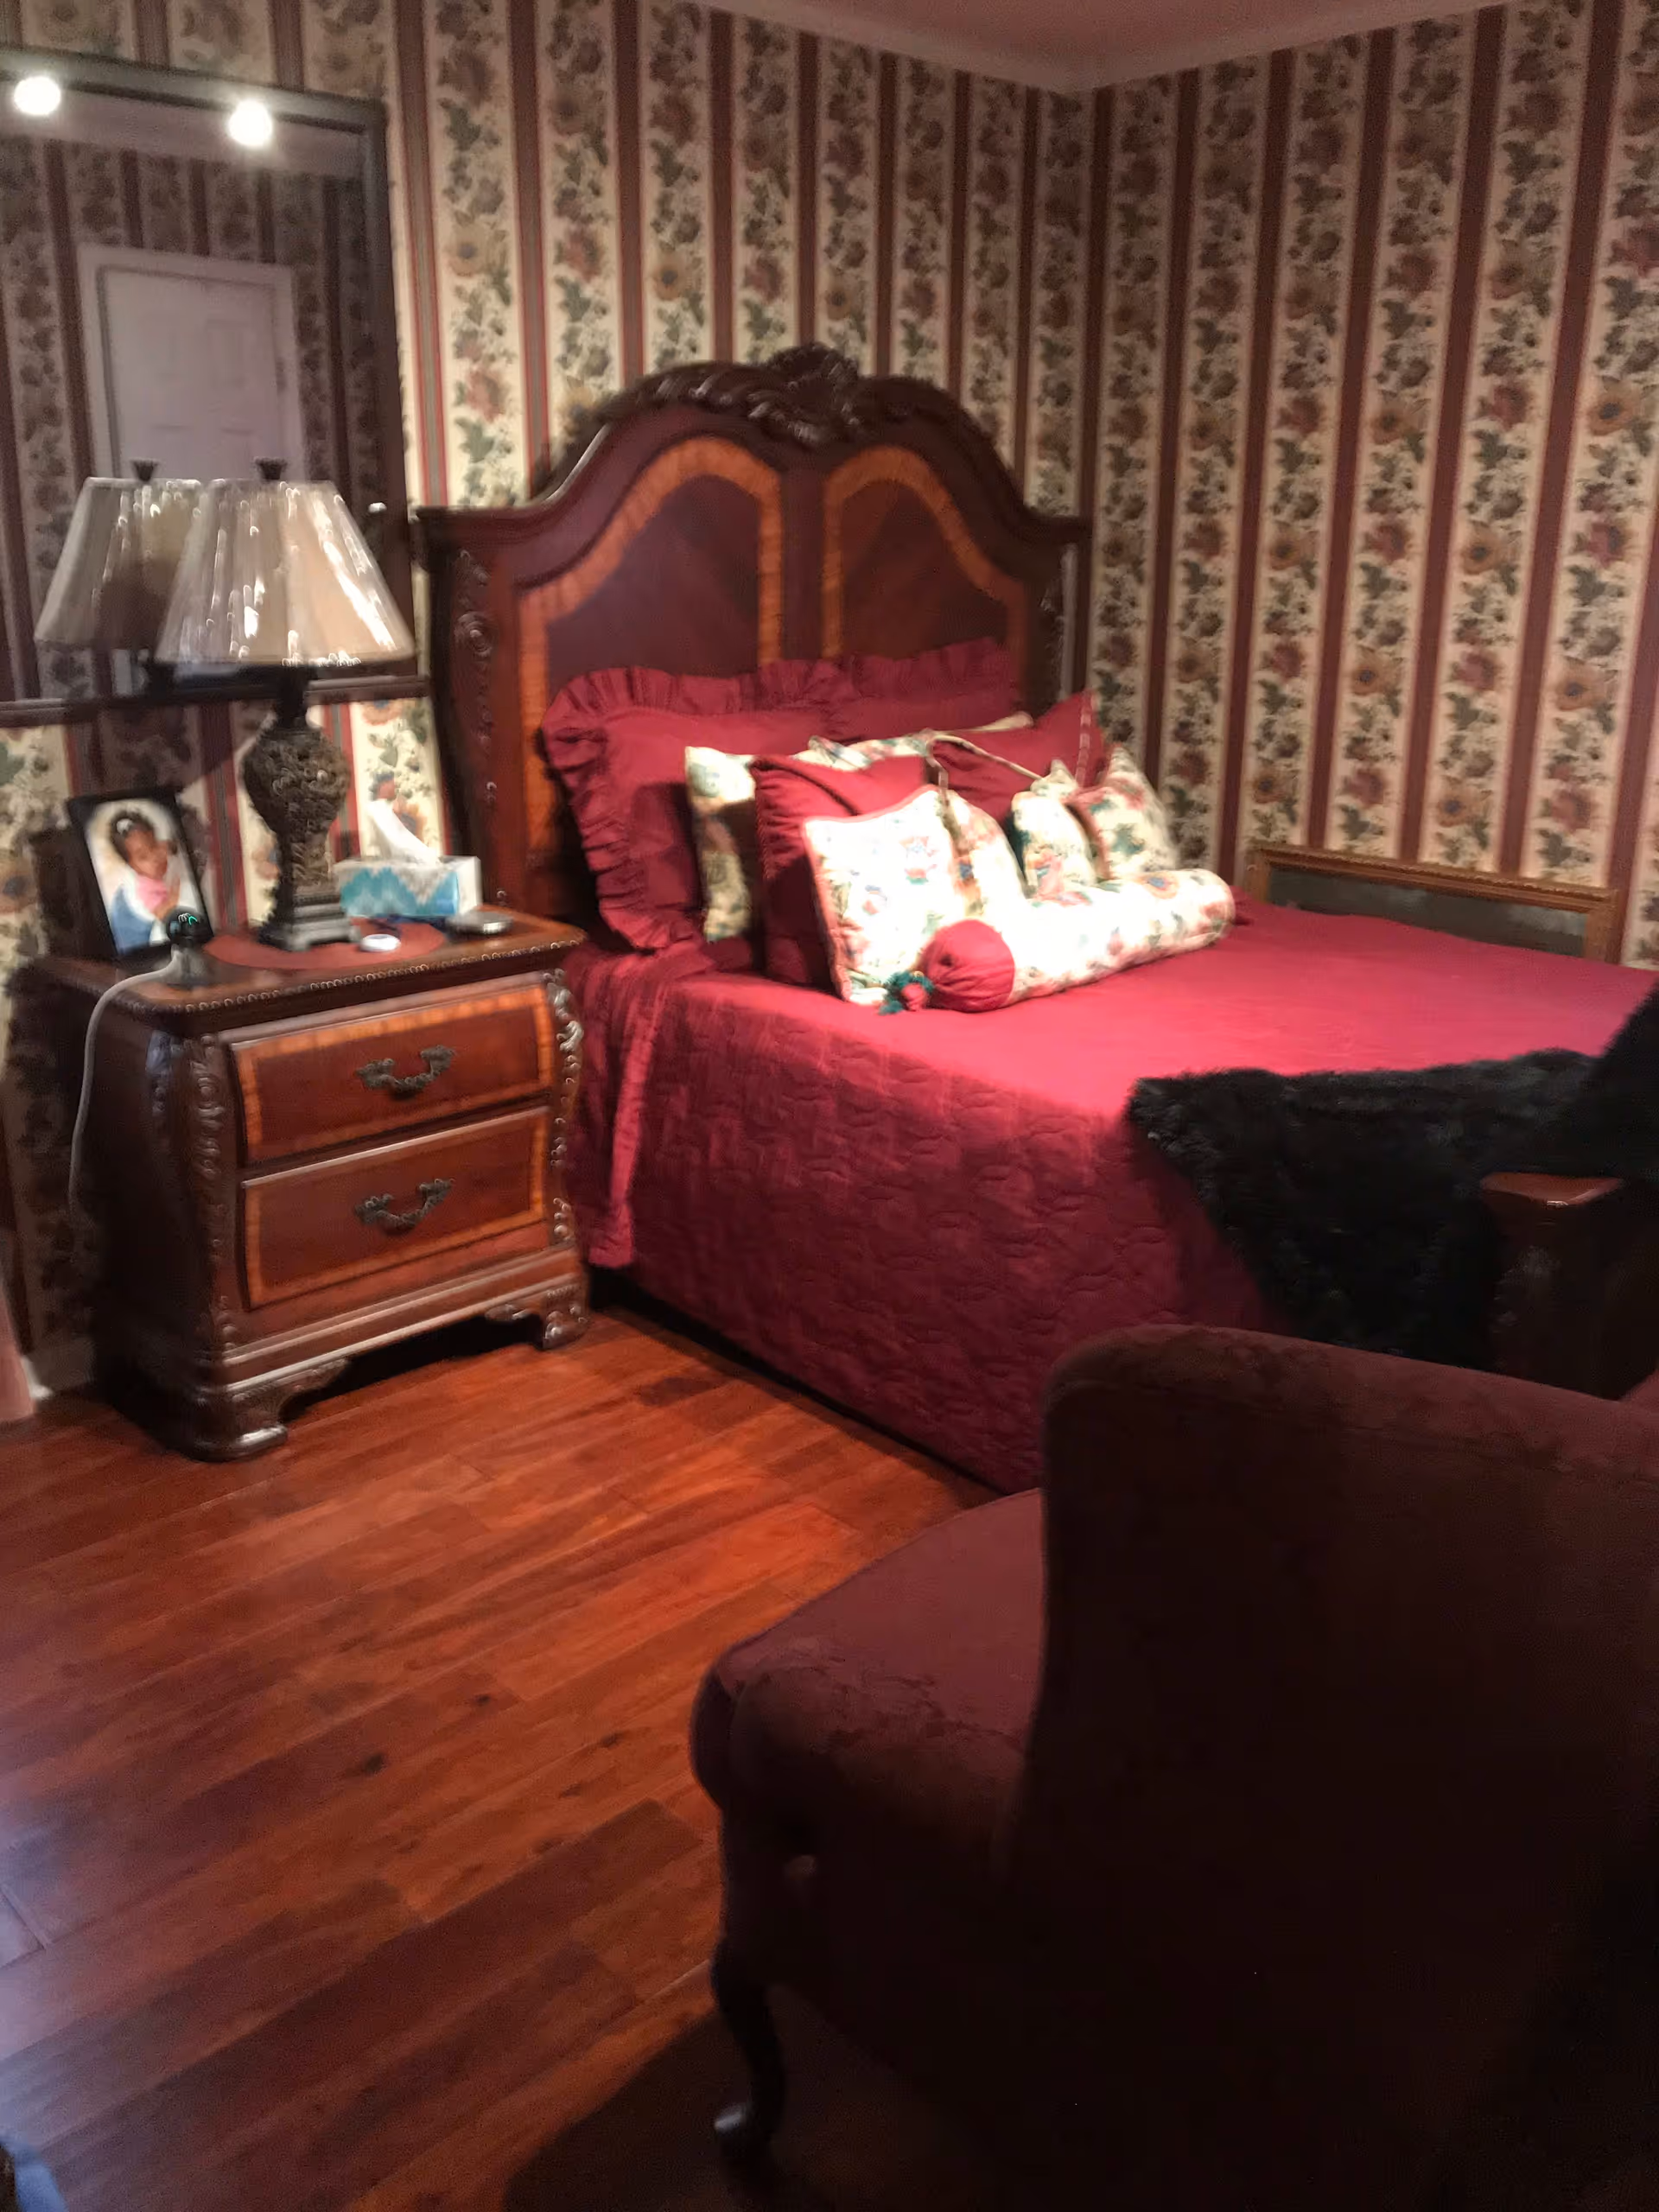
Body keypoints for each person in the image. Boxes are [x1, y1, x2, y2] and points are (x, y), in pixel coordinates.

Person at [104, 807, 187, 953]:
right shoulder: (143, 891)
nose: (154, 858)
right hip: (128, 926)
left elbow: (169, 845)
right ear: (132, 867)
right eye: (143, 857)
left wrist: (171, 846)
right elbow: (163, 914)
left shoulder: (160, 851)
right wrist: (175, 893)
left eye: (154, 846)